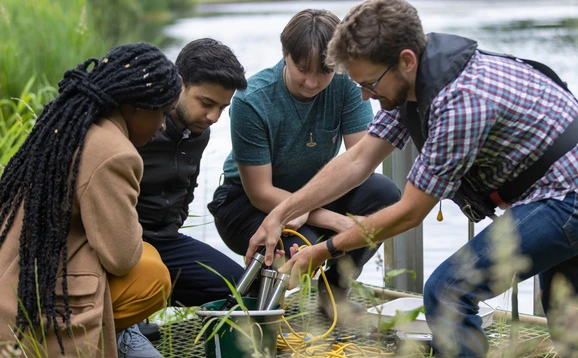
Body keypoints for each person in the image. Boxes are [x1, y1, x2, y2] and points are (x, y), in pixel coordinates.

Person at [248, 0, 578, 356]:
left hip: (565, 195)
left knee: (449, 291)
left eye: (370, 83)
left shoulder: (459, 102)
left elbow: (409, 212)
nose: (364, 95)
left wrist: (326, 249)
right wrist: (279, 214)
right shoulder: (412, 81)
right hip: (550, 190)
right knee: (567, 321)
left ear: (406, 60)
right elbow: (358, 158)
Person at [207, 9, 401, 321]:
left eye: (323, 72)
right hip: (246, 202)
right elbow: (260, 192)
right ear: (285, 54)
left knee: (383, 195)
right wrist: (338, 224)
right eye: (301, 69)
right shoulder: (252, 100)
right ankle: (262, 309)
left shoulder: (346, 86)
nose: (311, 83)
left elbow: (360, 162)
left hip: (312, 194)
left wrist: (324, 214)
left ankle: (335, 293)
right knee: (303, 243)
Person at [0, 43, 181, 358]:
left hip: (15, 274)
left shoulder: (73, 126)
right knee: (153, 274)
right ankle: (124, 339)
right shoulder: (115, 153)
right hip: (38, 306)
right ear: (134, 106)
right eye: (162, 113)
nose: (163, 126)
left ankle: (126, 335)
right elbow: (122, 257)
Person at [136, 38, 247, 311]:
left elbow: (187, 190)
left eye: (222, 107)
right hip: (123, 246)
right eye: (207, 102)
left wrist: (173, 224)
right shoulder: (139, 124)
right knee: (148, 278)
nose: (214, 117)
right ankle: (131, 314)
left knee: (242, 288)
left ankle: (144, 306)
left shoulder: (199, 132)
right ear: (179, 83)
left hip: (166, 242)